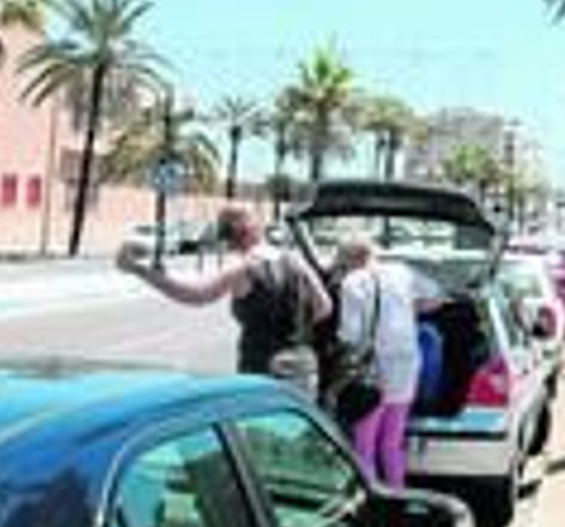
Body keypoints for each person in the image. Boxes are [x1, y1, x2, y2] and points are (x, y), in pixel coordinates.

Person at [117, 206, 331, 394]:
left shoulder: (244, 266)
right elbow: (324, 307)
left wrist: (139, 270)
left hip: (264, 372)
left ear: (231, 236)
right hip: (304, 369)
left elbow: (196, 295)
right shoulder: (293, 260)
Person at [334, 235, 443, 489]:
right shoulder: (401, 271)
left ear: (349, 260)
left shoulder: (352, 282)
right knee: (392, 441)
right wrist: (409, 310)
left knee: (364, 443)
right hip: (407, 365)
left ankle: (373, 505)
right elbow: (437, 297)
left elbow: (349, 333)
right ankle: (397, 495)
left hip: (373, 371)